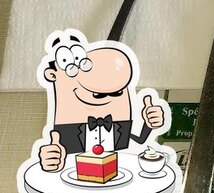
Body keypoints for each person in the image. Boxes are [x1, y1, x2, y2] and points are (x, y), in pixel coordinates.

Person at [36, 32, 164, 172]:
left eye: (117, 93)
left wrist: (149, 123)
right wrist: (51, 157)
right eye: (97, 95)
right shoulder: (67, 131)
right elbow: (56, 151)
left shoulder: (119, 125)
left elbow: (139, 141)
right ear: (52, 75)